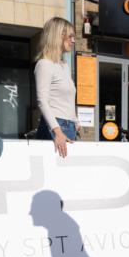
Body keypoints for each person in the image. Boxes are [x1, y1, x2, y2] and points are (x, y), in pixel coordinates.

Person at [33, 17, 79, 157]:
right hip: (56, 126)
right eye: (70, 36)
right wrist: (57, 131)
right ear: (58, 36)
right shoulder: (44, 64)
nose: (73, 41)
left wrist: (75, 120)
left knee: (65, 174)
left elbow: (68, 99)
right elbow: (42, 100)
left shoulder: (64, 66)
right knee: (54, 175)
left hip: (68, 125)